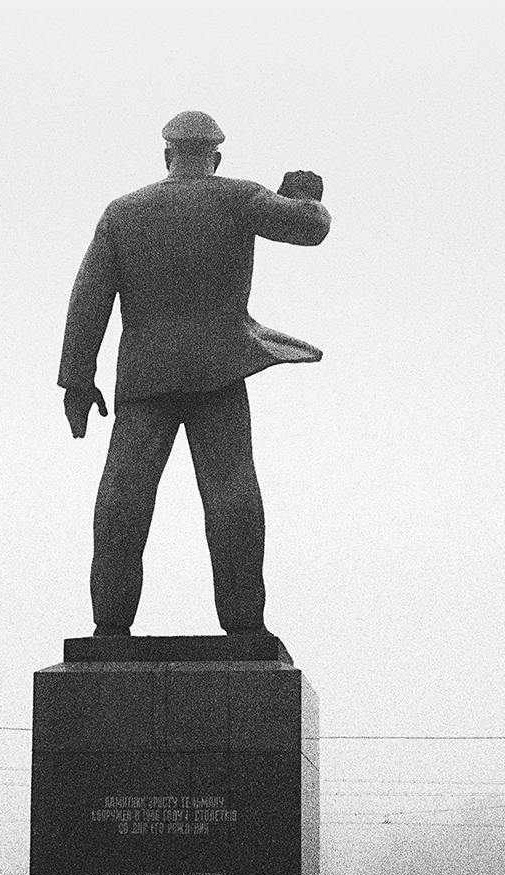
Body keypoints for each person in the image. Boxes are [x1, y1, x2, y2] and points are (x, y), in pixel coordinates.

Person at [59, 110, 332, 638]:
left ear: (167, 156)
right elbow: (307, 229)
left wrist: (78, 378)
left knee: (123, 498)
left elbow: (89, 298)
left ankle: (110, 626)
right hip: (219, 372)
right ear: (216, 158)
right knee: (233, 497)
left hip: (145, 377)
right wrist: (307, 197)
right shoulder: (239, 197)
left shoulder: (123, 212)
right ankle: (244, 625)